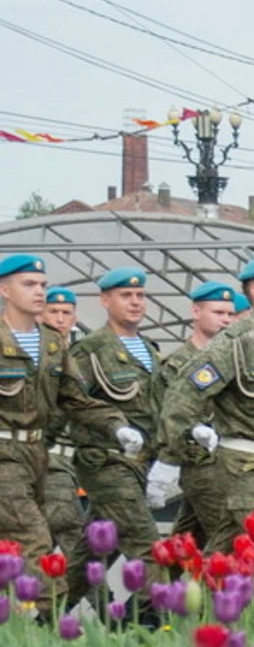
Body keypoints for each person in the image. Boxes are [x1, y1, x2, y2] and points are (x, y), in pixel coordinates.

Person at [151, 255, 254, 602]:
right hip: (244, 464)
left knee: (223, 552)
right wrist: (171, 454)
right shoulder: (236, 342)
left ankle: (179, 607)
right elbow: (185, 394)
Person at [0, 256, 134, 606]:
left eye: (42, 285)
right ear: (4, 289)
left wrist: (117, 426)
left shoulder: (52, 344)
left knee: (13, 544)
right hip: (2, 460)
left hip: (35, 456)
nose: (39, 291)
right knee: (35, 542)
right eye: (29, 284)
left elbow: (76, 399)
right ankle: (54, 629)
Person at [66, 267, 163, 585]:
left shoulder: (150, 351)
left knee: (91, 550)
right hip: (106, 462)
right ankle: (161, 620)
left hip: (142, 463)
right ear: (105, 300)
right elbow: (73, 402)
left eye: (140, 295)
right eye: (126, 295)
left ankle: (45, 613)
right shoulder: (89, 351)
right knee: (147, 545)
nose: (135, 302)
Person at [154, 282, 240, 546]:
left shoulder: (233, 359)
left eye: (229, 314)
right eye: (218, 313)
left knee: (185, 542)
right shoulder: (178, 363)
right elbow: (166, 415)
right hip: (198, 464)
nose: (226, 320)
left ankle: (157, 587)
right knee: (229, 536)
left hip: (229, 463)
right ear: (196, 312)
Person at [39, 285, 85, 573]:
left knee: (41, 542)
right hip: (49, 459)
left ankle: (42, 613)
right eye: (53, 311)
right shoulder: (31, 354)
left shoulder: (84, 356)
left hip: (80, 462)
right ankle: (106, 613)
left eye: (66, 313)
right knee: (74, 536)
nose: (59, 319)